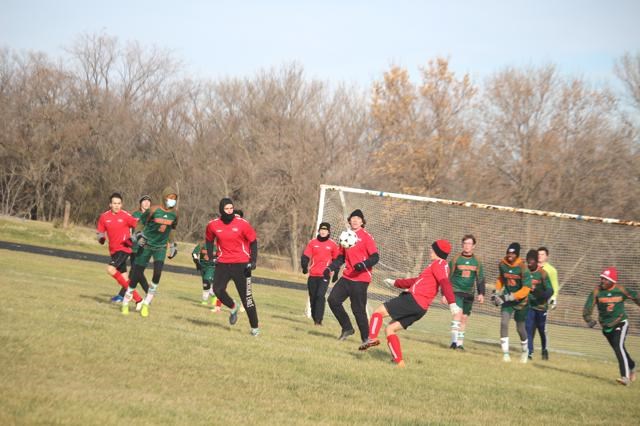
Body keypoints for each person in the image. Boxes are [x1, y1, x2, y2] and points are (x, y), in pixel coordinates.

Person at [359, 240, 461, 367]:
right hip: (421, 308)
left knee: (378, 312)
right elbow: (415, 281)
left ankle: (372, 338)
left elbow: (444, 282)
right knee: (390, 329)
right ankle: (399, 362)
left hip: (413, 300)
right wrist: (394, 282)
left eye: (432, 248)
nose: (430, 250)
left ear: (437, 251)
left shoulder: (439, 264)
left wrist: (452, 303)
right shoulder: (438, 265)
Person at [205, 198, 260, 336]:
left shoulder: (242, 224)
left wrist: (253, 260)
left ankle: (255, 328)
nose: (230, 211)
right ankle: (233, 307)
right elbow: (209, 239)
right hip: (223, 263)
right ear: (221, 210)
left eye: (231, 208)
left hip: (241, 264)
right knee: (217, 289)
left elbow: (253, 242)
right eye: (227, 209)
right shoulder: (213, 225)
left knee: (247, 298)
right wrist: (211, 257)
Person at [121, 187, 179, 317]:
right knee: (136, 274)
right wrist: (138, 235)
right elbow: (140, 223)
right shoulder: (153, 210)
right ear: (164, 198)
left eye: (174, 199)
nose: (172, 201)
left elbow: (172, 229)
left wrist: (173, 244)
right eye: (170, 198)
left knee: (157, 273)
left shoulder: (175, 214)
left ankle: (146, 303)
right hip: (146, 244)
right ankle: (126, 300)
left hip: (160, 247)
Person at [326, 209, 379, 343]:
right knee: (333, 300)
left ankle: (366, 339)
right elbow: (341, 257)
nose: (355, 220)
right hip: (347, 277)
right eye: (353, 218)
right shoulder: (345, 236)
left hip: (361, 279)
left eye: (358, 218)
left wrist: (363, 264)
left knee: (358, 309)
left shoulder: (367, 237)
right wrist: (330, 267)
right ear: (349, 221)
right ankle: (347, 328)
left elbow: (375, 257)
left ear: (362, 222)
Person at [583, 267, 640, 385]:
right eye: (602, 278)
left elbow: (636, 297)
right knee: (618, 349)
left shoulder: (621, 290)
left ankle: (625, 377)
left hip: (621, 322)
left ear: (612, 281)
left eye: (605, 279)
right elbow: (588, 307)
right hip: (606, 327)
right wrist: (588, 319)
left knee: (618, 347)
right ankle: (632, 365)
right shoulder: (597, 291)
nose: (602, 281)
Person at [96, 192, 144, 308]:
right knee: (125, 279)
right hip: (113, 251)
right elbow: (100, 232)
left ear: (121, 204)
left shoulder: (125, 216)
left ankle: (138, 299)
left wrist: (137, 237)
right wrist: (101, 238)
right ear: (110, 204)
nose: (117, 205)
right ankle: (138, 300)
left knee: (110, 269)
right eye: (114, 203)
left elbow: (139, 225)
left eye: (119, 203)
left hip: (124, 248)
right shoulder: (104, 217)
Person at [491, 242, 532, 363]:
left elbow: (526, 289)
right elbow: (500, 278)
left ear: (517, 254)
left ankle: (525, 351)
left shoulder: (523, 267)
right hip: (507, 301)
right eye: (509, 252)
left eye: (513, 253)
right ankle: (505, 354)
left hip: (521, 302)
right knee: (504, 323)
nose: (510, 255)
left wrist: (509, 297)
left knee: (520, 329)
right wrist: (496, 292)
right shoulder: (502, 264)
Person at [446, 234, 485, 350]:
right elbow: (447, 276)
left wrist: (481, 293)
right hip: (456, 291)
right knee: (457, 315)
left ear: (474, 246)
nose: (467, 246)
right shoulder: (456, 259)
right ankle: (453, 342)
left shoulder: (477, 261)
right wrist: (444, 293)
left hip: (469, 293)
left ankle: (460, 344)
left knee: (464, 318)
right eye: (465, 243)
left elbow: (480, 278)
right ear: (462, 245)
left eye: (469, 244)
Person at [301, 222, 340, 326]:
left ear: (328, 232)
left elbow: (337, 260)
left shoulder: (332, 244)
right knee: (313, 297)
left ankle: (319, 320)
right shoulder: (312, 243)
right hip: (313, 275)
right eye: (321, 230)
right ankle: (315, 319)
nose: (323, 232)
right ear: (319, 230)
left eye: (325, 230)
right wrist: (304, 266)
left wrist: (336, 273)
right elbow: (305, 256)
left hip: (325, 275)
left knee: (320, 296)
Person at [525, 249, 553, 360]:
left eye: (531, 261)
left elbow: (550, 290)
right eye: (528, 261)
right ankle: (529, 352)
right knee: (529, 328)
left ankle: (544, 349)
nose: (529, 264)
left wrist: (540, 294)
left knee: (541, 330)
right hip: (529, 305)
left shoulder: (542, 273)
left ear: (536, 261)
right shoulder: (525, 272)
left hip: (541, 307)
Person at [192, 240, 222, 311]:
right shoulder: (202, 244)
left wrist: (212, 259)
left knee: (206, 281)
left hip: (211, 267)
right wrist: (197, 262)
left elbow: (220, 256)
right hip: (202, 267)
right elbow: (194, 253)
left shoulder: (219, 247)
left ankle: (204, 300)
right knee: (205, 284)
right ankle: (213, 295)